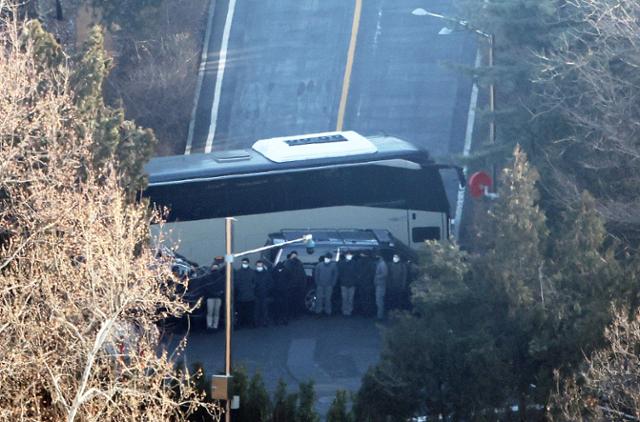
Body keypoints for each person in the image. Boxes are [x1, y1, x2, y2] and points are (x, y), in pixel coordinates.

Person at [283, 251, 307, 317]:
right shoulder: (288, 263)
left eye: (295, 255)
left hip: (297, 285)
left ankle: (295, 314)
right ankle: (292, 314)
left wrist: (303, 284)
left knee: (296, 300)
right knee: (291, 300)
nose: (294, 256)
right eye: (293, 255)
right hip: (291, 286)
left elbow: (303, 275)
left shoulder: (298, 263)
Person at [204, 259, 225, 330]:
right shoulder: (219, 276)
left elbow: (207, 287)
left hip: (213, 297)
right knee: (214, 312)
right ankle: (212, 326)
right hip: (214, 297)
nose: (215, 268)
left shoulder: (210, 276)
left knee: (213, 312)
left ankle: (212, 326)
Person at [234, 258, 256, 328]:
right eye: (243, 262)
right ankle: (243, 324)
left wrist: (252, 287)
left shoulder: (251, 272)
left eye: (245, 262)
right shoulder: (239, 272)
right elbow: (236, 283)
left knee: (249, 311)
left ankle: (248, 324)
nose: (244, 264)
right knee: (241, 312)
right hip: (243, 295)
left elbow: (255, 282)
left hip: (248, 295)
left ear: (248, 263)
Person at [338, 250, 358, 316]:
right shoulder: (341, 263)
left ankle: (349, 311)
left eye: (350, 254)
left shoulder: (354, 263)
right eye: (348, 254)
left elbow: (356, 273)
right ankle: (344, 311)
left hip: (352, 284)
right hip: (344, 284)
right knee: (344, 298)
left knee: (350, 299)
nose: (349, 256)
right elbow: (340, 273)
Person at [254, 260, 273, 327]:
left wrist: (267, 290)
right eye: (258, 266)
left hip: (264, 294)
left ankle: (265, 322)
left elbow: (270, 283)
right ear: (256, 266)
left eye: (260, 265)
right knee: (256, 310)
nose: (259, 267)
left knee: (264, 309)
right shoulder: (253, 273)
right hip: (256, 294)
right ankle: (257, 323)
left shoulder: (267, 274)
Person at [271, 260, 290, 325]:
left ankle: (277, 319)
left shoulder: (274, 271)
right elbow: (289, 280)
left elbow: (272, 280)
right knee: (284, 305)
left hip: (277, 290)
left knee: (277, 305)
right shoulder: (286, 271)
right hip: (284, 290)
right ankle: (284, 319)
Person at [373, 254, 389, 320]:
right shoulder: (381, 264)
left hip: (381, 284)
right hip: (380, 284)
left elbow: (385, 274)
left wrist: (377, 277)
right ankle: (379, 315)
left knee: (379, 300)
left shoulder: (382, 264)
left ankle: (380, 316)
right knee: (379, 300)